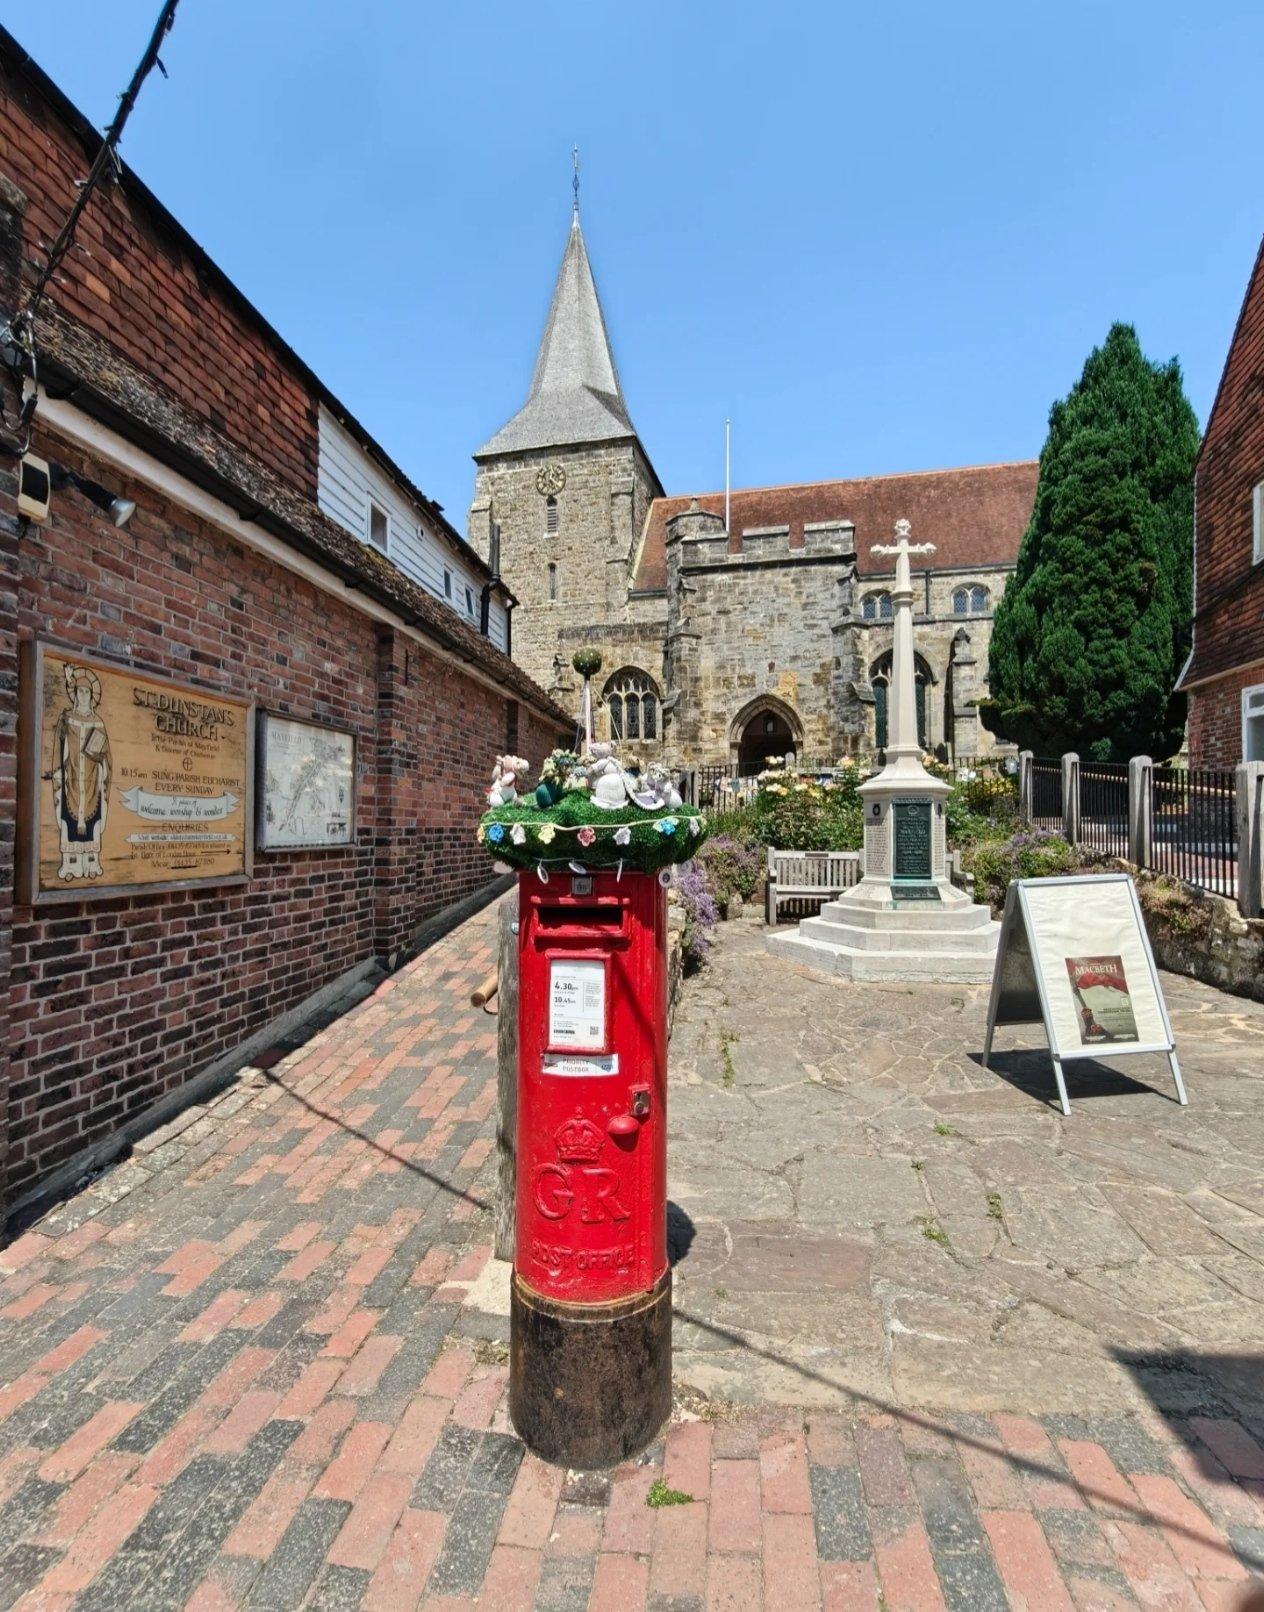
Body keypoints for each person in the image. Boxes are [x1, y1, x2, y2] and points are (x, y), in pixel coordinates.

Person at [49, 663, 112, 880]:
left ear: (91, 695)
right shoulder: (67, 717)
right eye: (80, 692)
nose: (84, 696)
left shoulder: (98, 722)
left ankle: (91, 864)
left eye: (87, 692)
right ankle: (71, 866)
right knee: (70, 821)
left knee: (92, 820)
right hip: (72, 778)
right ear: (75, 694)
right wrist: (58, 771)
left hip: (92, 780)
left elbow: (106, 754)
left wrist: (103, 770)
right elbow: (59, 746)